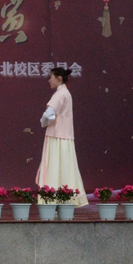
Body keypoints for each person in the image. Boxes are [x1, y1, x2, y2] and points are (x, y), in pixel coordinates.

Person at [37, 67, 89, 206]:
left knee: (53, 168)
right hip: (65, 137)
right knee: (66, 168)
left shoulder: (60, 94)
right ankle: (66, 200)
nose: (49, 80)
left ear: (58, 78)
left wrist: (43, 123)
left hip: (56, 136)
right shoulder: (66, 93)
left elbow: (49, 114)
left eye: (51, 77)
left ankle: (51, 200)